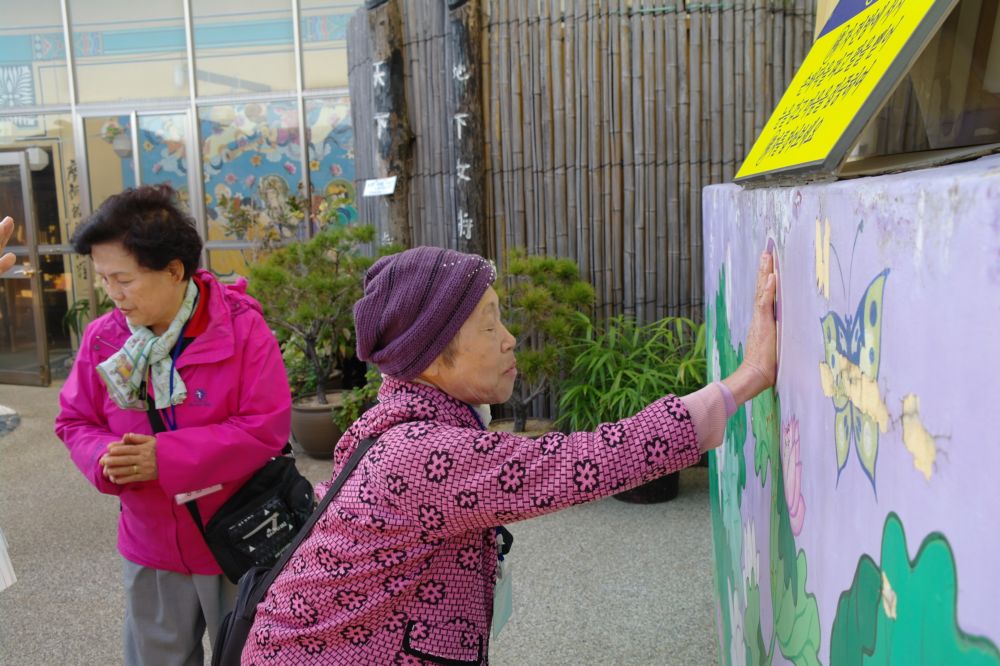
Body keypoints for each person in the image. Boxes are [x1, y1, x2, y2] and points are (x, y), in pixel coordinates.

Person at [243, 245, 776, 665]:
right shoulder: (420, 453)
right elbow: (586, 462)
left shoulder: (405, 422)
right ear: (429, 354)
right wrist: (747, 378)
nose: (510, 339)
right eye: (489, 324)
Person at [54, 185, 292, 666]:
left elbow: (264, 427)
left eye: (123, 279)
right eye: (104, 279)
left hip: (239, 539)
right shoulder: (105, 339)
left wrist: (163, 458)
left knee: (251, 657)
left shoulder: (240, 328)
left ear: (174, 271)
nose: (112, 294)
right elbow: (75, 419)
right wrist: (104, 457)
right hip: (151, 543)